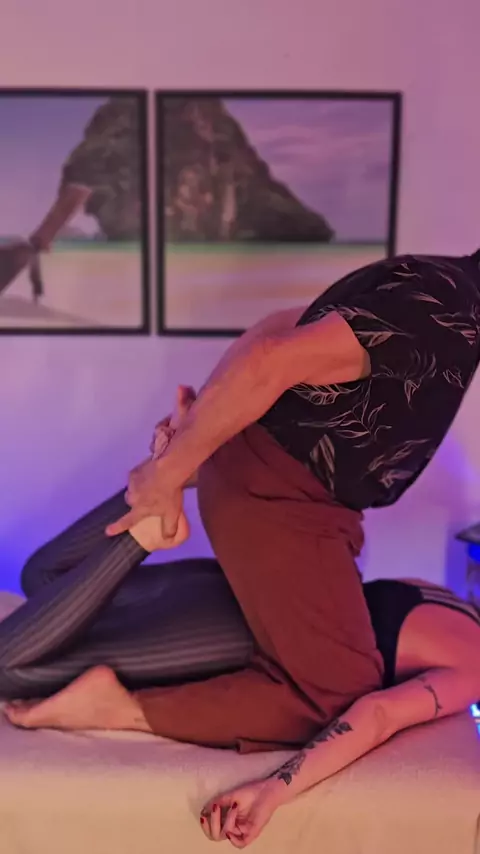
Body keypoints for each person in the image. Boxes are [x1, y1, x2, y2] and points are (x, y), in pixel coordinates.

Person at [7, 251, 480, 752]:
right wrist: (167, 474)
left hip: (257, 485)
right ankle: (119, 704)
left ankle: (146, 528)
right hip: (283, 506)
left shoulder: (433, 279)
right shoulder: (448, 311)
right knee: (337, 699)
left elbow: (277, 329)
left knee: (43, 577)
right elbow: (269, 355)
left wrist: (197, 439)